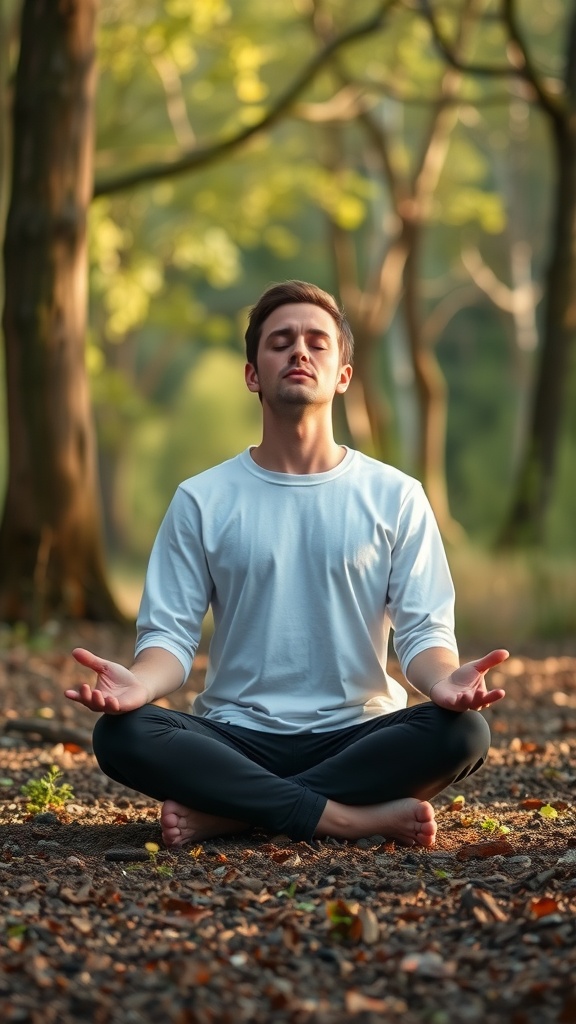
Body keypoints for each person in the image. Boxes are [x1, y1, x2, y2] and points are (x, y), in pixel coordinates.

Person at [66, 280, 508, 849]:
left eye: (317, 343)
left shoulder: (396, 496)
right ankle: (348, 819)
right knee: (122, 734)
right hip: (235, 737)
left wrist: (445, 681)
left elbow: (423, 634)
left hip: (358, 734)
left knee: (463, 732)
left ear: (343, 375)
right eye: (281, 342)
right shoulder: (202, 499)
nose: (300, 351)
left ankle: (234, 814)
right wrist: (139, 685)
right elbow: (169, 640)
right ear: (253, 374)